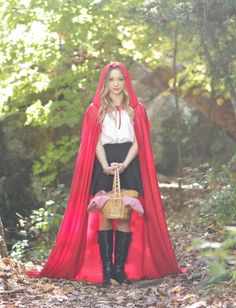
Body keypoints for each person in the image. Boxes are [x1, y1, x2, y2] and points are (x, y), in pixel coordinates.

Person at [27, 62, 185, 285]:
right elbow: (95, 143)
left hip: (129, 162)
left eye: (120, 79)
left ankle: (119, 269)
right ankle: (106, 269)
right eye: (112, 79)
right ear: (105, 82)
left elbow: (140, 142)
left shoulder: (137, 110)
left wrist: (124, 164)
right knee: (105, 213)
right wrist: (105, 165)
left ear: (126, 82)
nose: (116, 84)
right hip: (104, 161)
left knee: (123, 213)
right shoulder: (95, 110)